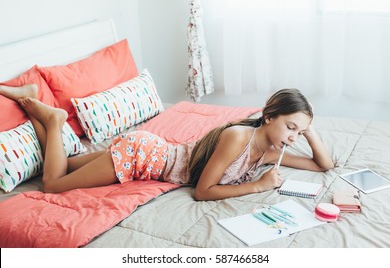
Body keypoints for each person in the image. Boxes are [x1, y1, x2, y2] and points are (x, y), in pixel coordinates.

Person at [0, 84, 334, 200]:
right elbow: (203, 192)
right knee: (52, 186)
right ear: (270, 115)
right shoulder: (238, 137)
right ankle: (57, 118)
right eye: (290, 126)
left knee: (58, 166)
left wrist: (309, 127)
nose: (293, 137)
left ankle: (37, 109)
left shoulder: (270, 151)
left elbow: (323, 165)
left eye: (298, 133)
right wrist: (258, 187)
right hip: (140, 156)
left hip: (146, 148)